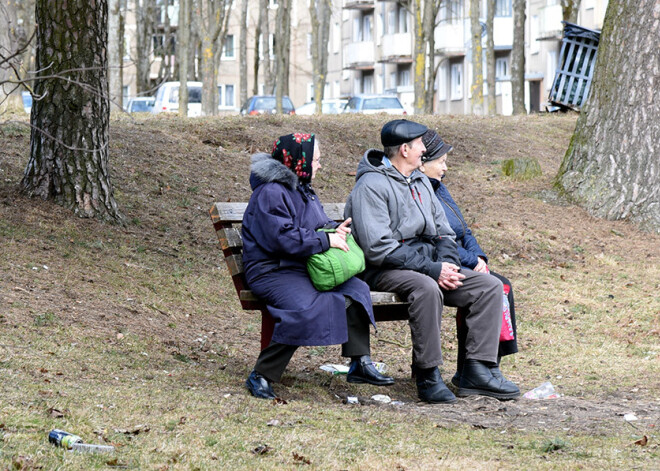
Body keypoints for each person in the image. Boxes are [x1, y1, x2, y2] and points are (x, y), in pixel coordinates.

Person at [345, 119, 520, 403]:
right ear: (405, 149)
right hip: (384, 268)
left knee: (488, 286)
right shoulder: (371, 185)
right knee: (426, 287)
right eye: (420, 145)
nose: (425, 150)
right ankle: (428, 375)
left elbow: (444, 233)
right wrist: (433, 270)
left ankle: (477, 370)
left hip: (428, 264)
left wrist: (447, 266)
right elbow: (379, 248)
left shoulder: (420, 181)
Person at [241, 132, 394, 399]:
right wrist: (326, 239)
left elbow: (315, 225)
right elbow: (281, 238)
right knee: (307, 306)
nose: (320, 166)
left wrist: (337, 229)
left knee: (356, 289)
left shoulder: (301, 188)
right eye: (316, 160)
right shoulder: (270, 192)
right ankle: (261, 374)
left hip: (299, 265)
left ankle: (360, 363)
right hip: (273, 269)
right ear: (299, 161)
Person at [420, 129, 519, 387]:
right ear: (423, 162)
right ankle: (474, 369)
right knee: (492, 288)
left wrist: (478, 256)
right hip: (441, 262)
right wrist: (471, 261)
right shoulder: (421, 193)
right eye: (440, 161)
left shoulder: (440, 188)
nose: (445, 167)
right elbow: (437, 238)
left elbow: (464, 230)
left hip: (462, 259)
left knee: (502, 285)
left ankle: (486, 365)